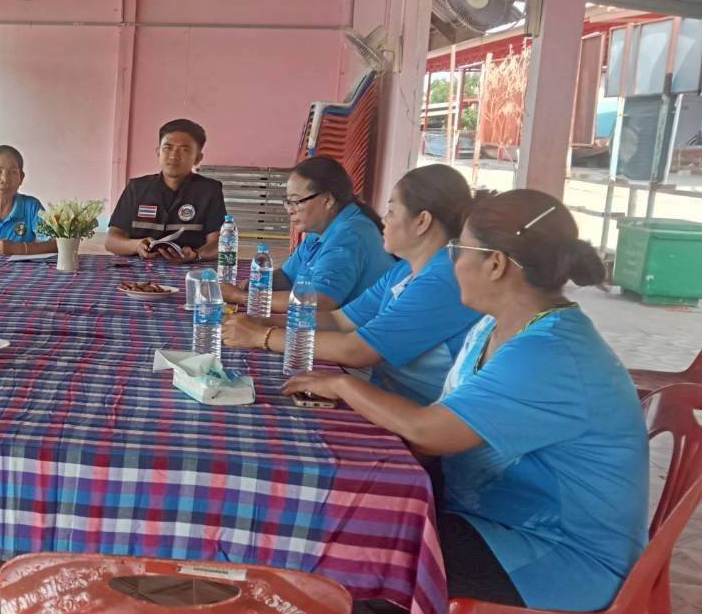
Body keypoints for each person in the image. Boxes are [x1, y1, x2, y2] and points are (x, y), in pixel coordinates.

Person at [253, 189, 647, 614]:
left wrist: (343, 386)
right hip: (495, 514)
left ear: (495, 263)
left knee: (379, 548)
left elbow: (428, 432)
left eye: (458, 250)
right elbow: (438, 421)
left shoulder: (552, 353)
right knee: (339, 514)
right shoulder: (496, 327)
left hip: (561, 552)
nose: (450, 263)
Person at [224, 164, 481, 404]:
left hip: (413, 410)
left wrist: (262, 336)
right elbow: (339, 320)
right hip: (379, 391)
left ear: (422, 221)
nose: (384, 220)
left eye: (391, 211)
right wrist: (264, 321)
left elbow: (358, 350)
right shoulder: (405, 269)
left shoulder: (443, 279)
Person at [222, 155, 392, 313]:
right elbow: (287, 277)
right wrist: (253, 284)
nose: (289, 210)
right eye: (287, 201)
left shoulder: (349, 236)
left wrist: (242, 297)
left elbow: (320, 301)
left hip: (359, 336)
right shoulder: (319, 230)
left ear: (327, 200)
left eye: (296, 201)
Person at [106, 119, 226, 263]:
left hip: (189, 270)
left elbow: (219, 243)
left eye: (185, 150)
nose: (173, 156)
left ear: (198, 158)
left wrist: (195, 254)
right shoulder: (136, 188)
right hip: (137, 272)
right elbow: (111, 241)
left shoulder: (209, 190)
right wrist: (136, 245)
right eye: (167, 148)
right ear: (158, 152)